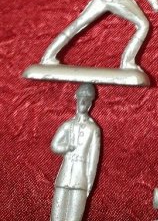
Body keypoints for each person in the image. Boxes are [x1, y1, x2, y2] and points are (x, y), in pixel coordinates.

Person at [50, 83, 101, 221]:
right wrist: (67, 147)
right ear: (76, 99)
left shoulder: (93, 129)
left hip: (81, 181)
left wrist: (88, 185)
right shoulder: (67, 125)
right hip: (64, 177)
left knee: (74, 218)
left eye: (87, 100)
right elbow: (54, 145)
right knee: (56, 215)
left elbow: (93, 160)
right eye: (81, 98)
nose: (83, 102)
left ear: (90, 104)